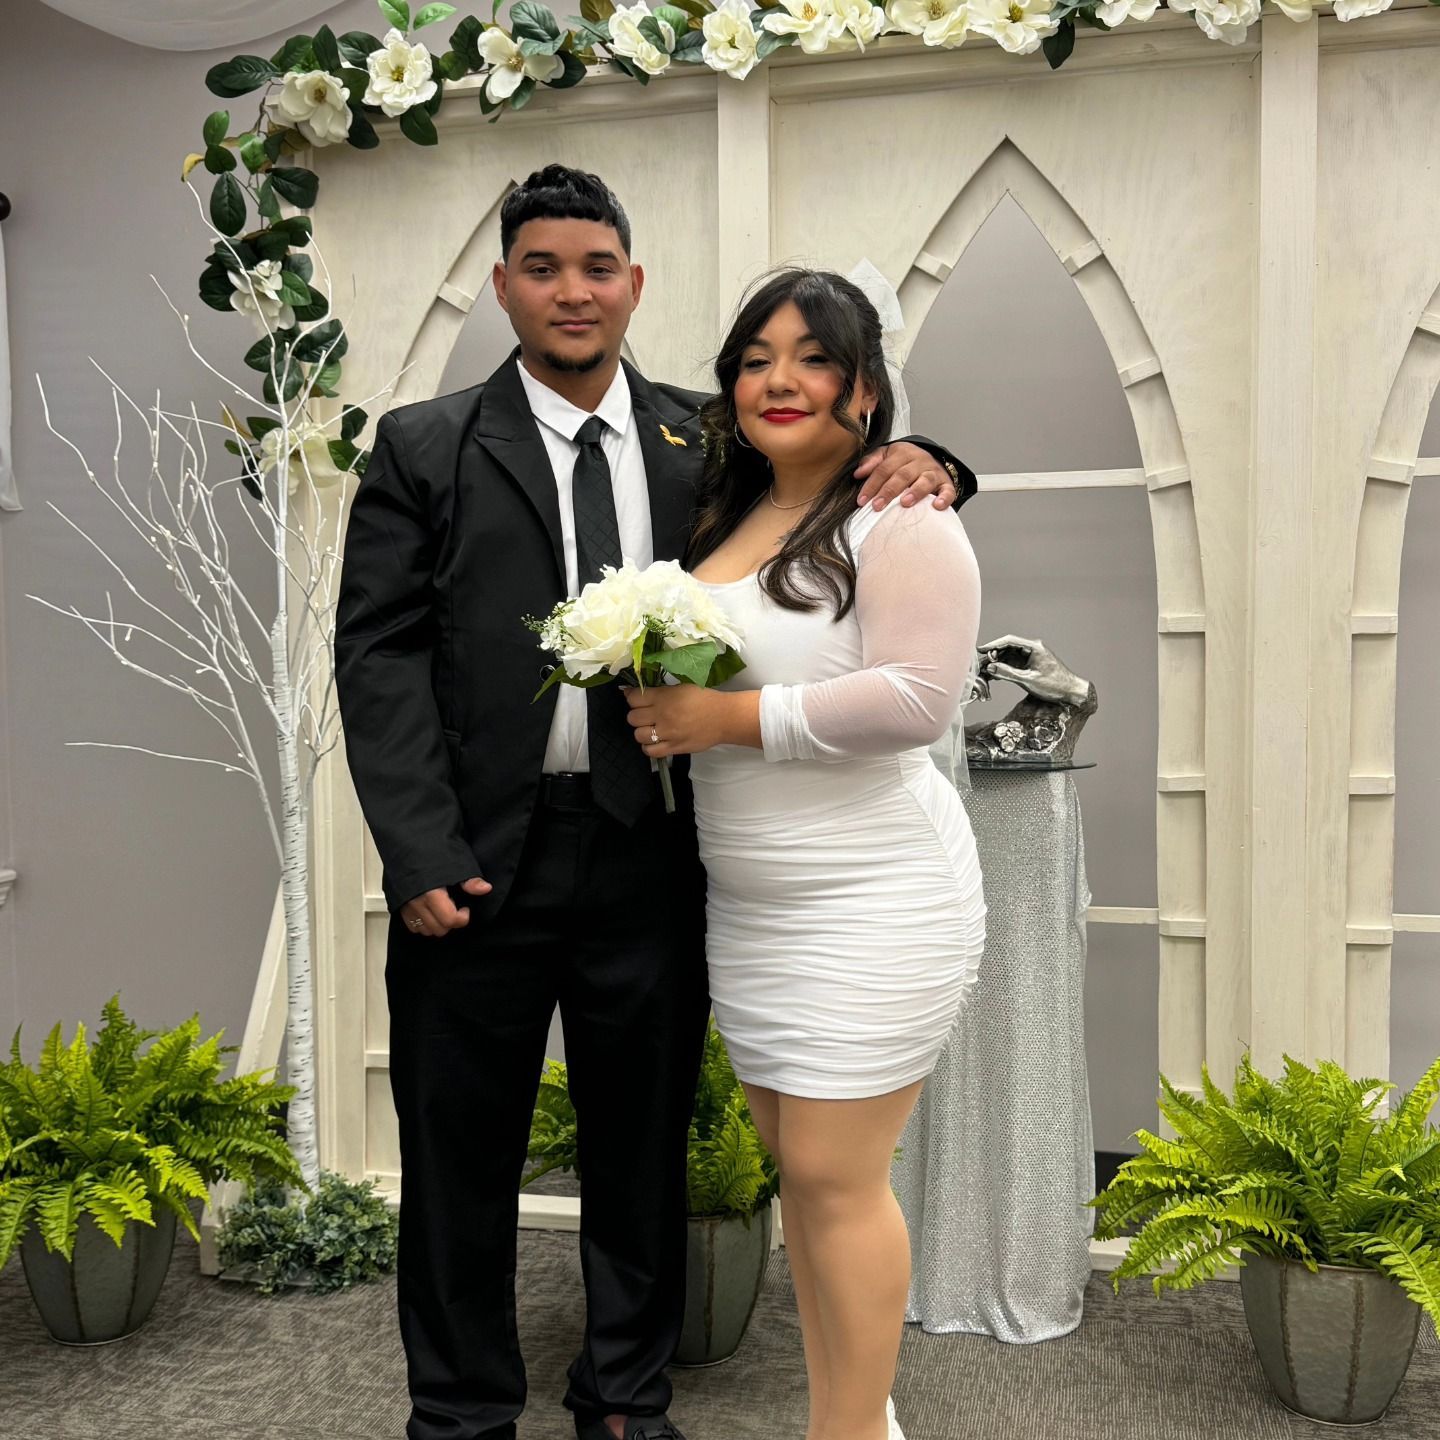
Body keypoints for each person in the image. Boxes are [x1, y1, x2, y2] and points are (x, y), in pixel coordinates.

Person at [333, 167, 974, 1440]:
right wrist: (416, 851)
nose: (573, 290)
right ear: (507, 285)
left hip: (656, 857)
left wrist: (931, 455)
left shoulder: (711, 442)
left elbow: (840, 491)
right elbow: (380, 657)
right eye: (543, 267)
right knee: (460, 1159)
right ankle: (460, 1412)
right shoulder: (423, 445)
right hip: (476, 864)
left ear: (635, 284)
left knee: (641, 1149)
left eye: (597, 266)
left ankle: (626, 1397)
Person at [622, 268, 986, 1440]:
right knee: (807, 1176)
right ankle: (862, 1425)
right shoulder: (718, 512)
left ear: (866, 391)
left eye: (814, 356)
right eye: (757, 356)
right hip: (756, 900)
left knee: (836, 1177)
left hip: (876, 892)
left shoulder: (904, 517)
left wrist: (730, 721)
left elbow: (921, 700)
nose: (781, 378)